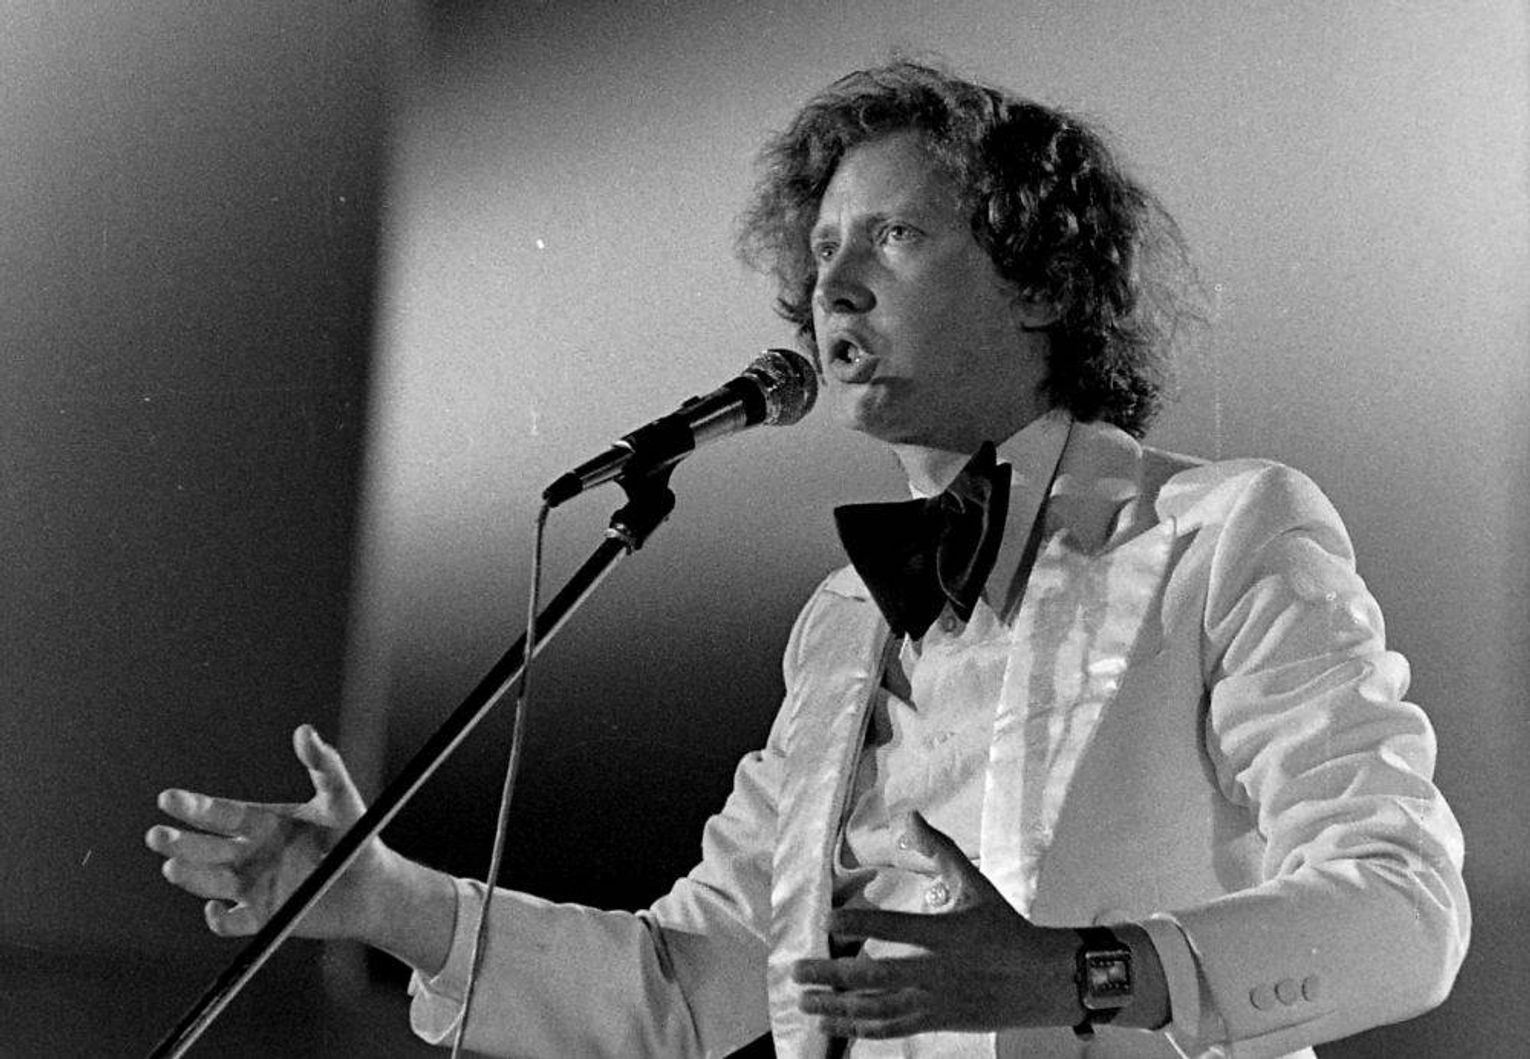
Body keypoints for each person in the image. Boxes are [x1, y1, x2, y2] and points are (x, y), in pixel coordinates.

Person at [147, 61, 1469, 1057]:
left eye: (894, 237)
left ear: (1043, 281)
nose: (833, 285)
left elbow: (1405, 912)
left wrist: (1080, 973)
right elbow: (685, 986)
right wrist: (386, 901)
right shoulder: (844, 619)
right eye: (824, 248)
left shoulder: (1224, 533)